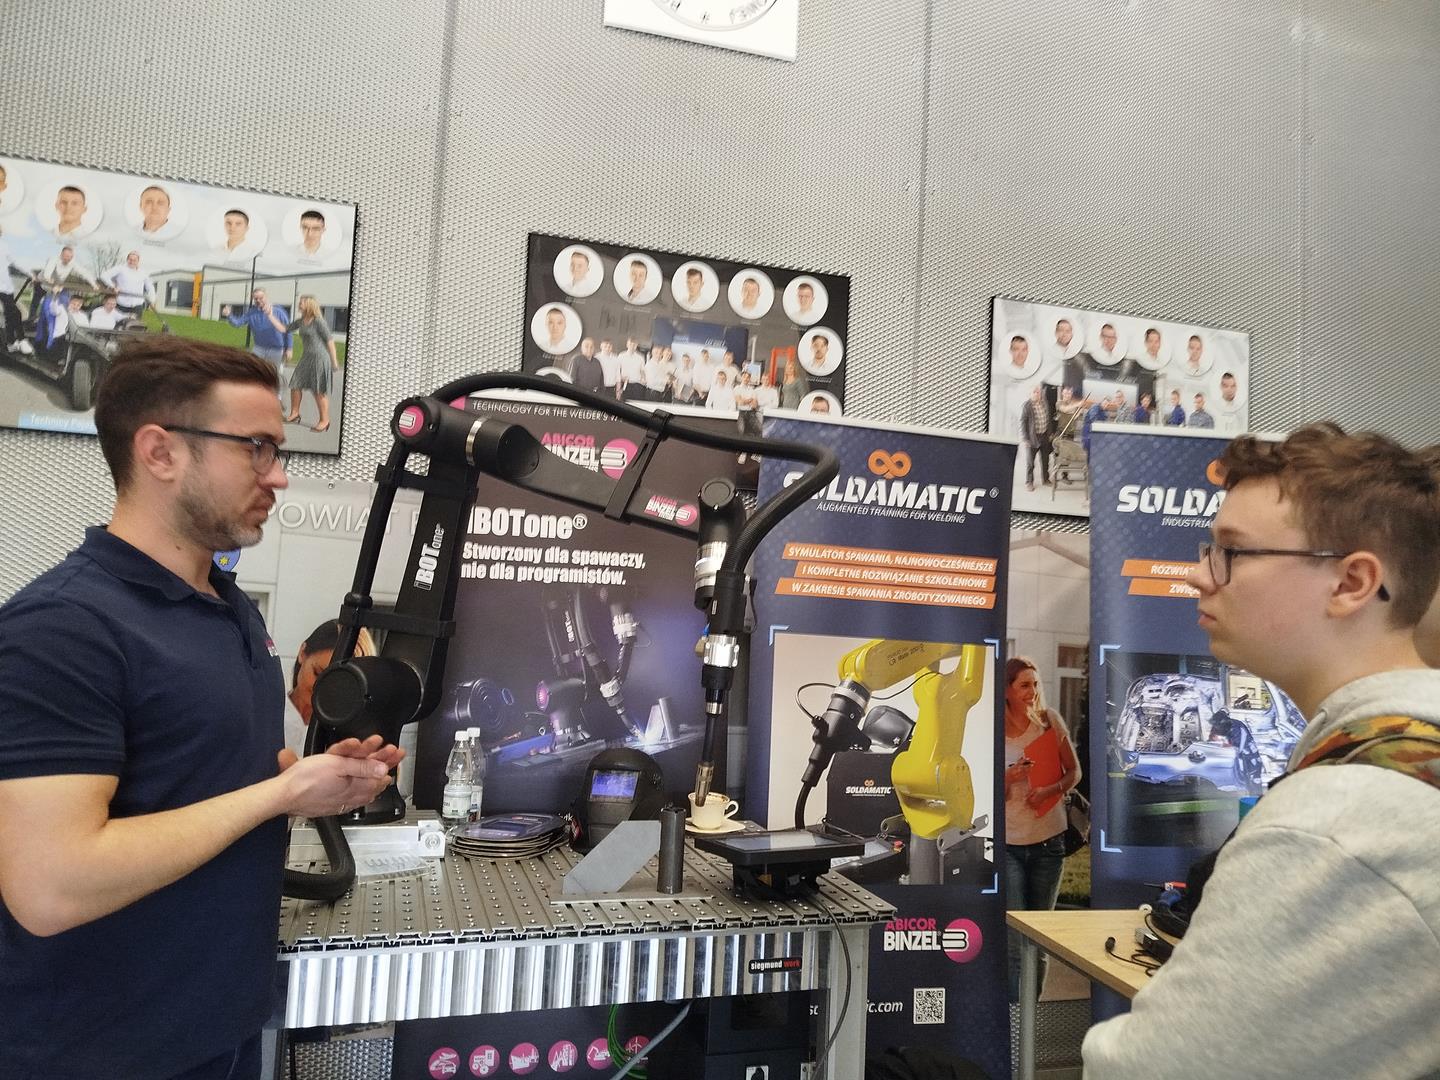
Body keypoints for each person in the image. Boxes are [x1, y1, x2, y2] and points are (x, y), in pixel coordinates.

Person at [0, 335, 403, 1079]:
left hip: (222, 1029)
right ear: (160, 452)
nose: (279, 475)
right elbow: (50, 886)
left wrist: (311, 783)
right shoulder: (63, 628)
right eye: (256, 448)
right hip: (97, 1054)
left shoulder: (229, 610)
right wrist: (278, 794)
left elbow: (212, 785)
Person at [1083, 424, 1440, 1079]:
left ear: (1352, 582)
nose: (1198, 574)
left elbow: (1154, 1069)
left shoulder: (1332, 825)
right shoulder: (1406, 760)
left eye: (1232, 552)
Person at [1003, 656, 1081, 1001]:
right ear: (1007, 690)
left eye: (1034, 684)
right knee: (1016, 943)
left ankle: (1031, 1018)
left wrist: (1049, 791)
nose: (1032, 691)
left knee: (1039, 939)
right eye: (1024, 685)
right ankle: (1016, 1021)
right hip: (1009, 846)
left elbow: (1074, 773)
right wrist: (1010, 777)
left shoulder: (1049, 721)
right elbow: (984, 789)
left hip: (1049, 844)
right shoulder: (993, 730)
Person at [286, 623, 379, 759]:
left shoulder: (354, 737)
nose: (322, 688)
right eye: (317, 673)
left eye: (339, 684)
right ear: (302, 653)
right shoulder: (267, 712)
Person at [272, 294, 338, 432]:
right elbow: (284, 328)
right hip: (306, 357)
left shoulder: (318, 321)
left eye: (301, 302)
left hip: (320, 358)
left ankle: (324, 420)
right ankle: (295, 414)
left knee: (318, 390)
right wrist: (269, 315)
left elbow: (330, 341)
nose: (299, 304)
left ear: (309, 304)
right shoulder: (301, 321)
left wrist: (334, 361)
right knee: (295, 384)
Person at [222, 288, 292, 393]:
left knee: (276, 375)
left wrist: (289, 348)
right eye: (256, 299)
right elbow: (238, 323)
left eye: (261, 298)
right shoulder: (251, 313)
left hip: (277, 350)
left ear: (266, 297)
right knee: (254, 372)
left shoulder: (278, 311)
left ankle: (277, 398)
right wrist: (229, 315)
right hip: (259, 348)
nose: (258, 300)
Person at [0, 224, 31, 354]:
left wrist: (30, 273)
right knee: (15, 313)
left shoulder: (4, 246)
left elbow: (15, 262)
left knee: (10, 314)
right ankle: (21, 339)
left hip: (6, 287)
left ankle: (11, 343)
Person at [100, 251, 157, 316]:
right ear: (127, 260)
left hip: (137, 306)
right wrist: (113, 286)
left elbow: (150, 287)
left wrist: (152, 300)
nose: (132, 262)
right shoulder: (120, 268)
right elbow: (104, 276)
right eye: (130, 259)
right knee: (120, 322)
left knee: (135, 322)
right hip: (122, 305)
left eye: (134, 260)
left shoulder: (143, 273)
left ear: (138, 261)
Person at [1020, 384, 1052, 491]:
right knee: (1030, 462)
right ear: (1030, 394)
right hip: (1032, 438)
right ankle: (1029, 482)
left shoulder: (1044, 403)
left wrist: (1050, 433)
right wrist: (1025, 438)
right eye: (1034, 392)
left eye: (1038, 392)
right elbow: (1023, 422)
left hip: (1044, 436)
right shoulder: (1027, 406)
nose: (1037, 394)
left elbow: (1048, 419)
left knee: (1045, 460)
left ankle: (1046, 479)